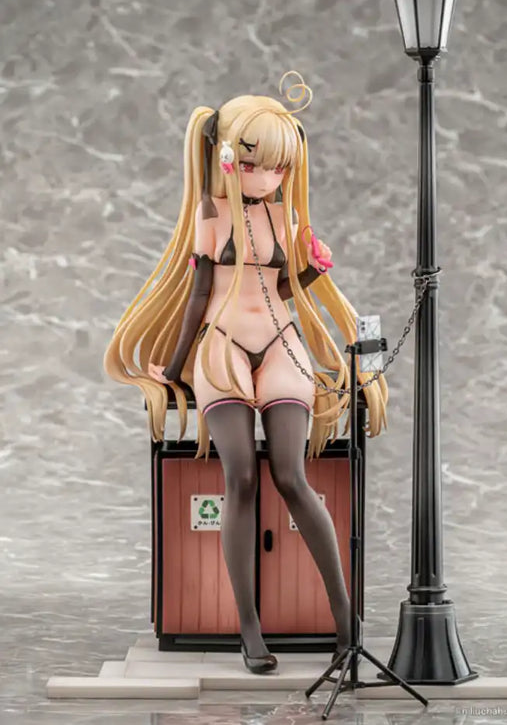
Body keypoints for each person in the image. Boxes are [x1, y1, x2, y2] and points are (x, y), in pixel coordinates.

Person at [104, 70, 388, 674]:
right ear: (229, 157)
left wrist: (311, 271)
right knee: (239, 478)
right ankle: (249, 627)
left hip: (281, 343)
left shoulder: (285, 217)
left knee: (291, 475)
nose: (271, 177)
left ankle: (347, 621)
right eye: (261, 163)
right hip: (223, 348)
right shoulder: (210, 215)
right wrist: (174, 370)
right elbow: (198, 297)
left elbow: (280, 288)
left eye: (282, 166)